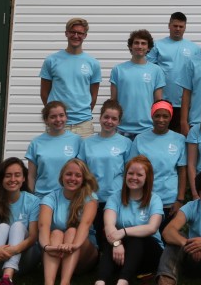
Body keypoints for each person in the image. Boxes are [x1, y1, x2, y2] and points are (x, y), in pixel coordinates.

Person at [96, 156, 164, 285]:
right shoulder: (115, 197)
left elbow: (152, 228)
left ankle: (123, 281)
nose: (134, 177)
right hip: (122, 253)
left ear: (147, 178)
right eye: (130, 173)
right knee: (110, 238)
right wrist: (117, 244)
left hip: (150, 254)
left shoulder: (154, 200)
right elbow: (109, 225)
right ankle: (100, 281)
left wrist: (122, 232)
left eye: (139, 174)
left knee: (135, 237)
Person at [0, 158, 41, 285]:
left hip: (24, 259)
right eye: (8, 176)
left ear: (23, 178)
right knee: (3, 227)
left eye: (17, 175)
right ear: (1, 179)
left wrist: (14, 250)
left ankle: (7, 278)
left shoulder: (33, 201)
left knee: (17, 226)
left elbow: (33, 237)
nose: (13, 179)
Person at [78, 100, 132, 250]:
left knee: (112, 235)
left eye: (114, 119)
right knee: (96, 237)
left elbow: (130, 172)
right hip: (92, 198)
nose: (109, 121)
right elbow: (81, 171)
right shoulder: (87, 143)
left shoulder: (126, 143)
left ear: (119, 121)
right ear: (100, 118)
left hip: (115, 198)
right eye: (106, 117)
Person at [38, 158, 99, 285]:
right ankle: (48, 282)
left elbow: (85, 225)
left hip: (83, 255)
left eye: (78, 175)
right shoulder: (50, 198)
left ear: (83, 179)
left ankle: (65, 282)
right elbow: (43, 226)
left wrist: (73, 246)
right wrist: (47, 247)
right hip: (55, 255)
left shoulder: (90, 198)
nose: (72, 178)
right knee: (56, 233)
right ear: (62, 176)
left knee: (72, 231)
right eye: (69, 174)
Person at [40, 17, 101, 137]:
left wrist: (82, 114)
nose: (76, 36)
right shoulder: (52, 60)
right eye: (73, 32)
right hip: (58, 123)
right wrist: (55, 114)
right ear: (66, 33)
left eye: (80, 33)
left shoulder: (93, 63)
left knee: (82, 157)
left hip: (83, 125)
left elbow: (93, 96)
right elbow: (44, 93)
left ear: (85, 36)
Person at [131, 100, 187, 223]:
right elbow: (131, 172)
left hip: (170, 201)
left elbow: (182, 171)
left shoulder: (179, 140)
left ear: (170, 117)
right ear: (152, 116)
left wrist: (180, 200)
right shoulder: (139, 140)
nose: (161, 120)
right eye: (157, 115)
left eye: (165, 116)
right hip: (145, 200)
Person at [148, 12, 201, 134]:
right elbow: (149, 71)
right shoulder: (157, 46)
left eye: (181, 26)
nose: (178, 29)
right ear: (169, 25)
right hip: (162, 103)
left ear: (185, 28)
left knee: (182, 139)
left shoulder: (195, 49)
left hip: (185, 105)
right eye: (175, 25)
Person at [109, 29, 166, 138]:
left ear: (148, 48)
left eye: (143, 43)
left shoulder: (156, 71)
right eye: (136, 43)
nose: (139, 46)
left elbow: (158, 103)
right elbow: (113, 102)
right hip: (122, 129)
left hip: (147, 129)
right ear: (130, 46)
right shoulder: (118, 70)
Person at [26, 101, 83, 198]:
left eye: (61, 115)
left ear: (66, 117)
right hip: (42, 196)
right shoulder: (36, 143)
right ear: (46, 120)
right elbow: (31, 176)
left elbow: (81, 173)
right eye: (53, 117)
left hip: (67, 197)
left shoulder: (76, 140)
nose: (58, 119)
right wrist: (30, 198)